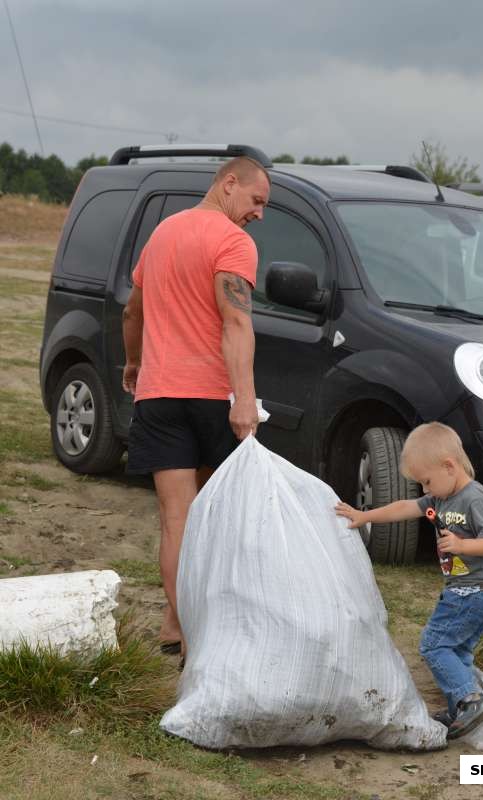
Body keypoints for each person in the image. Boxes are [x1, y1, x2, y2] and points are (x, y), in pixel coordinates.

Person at [122, 156, 271, 655]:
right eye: (256, 201)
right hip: (211, 397)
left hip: (158, 394)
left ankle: (175, 626)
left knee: (177, 520)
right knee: (217, 518)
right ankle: (199, 643)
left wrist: (132, 363)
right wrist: (245, 399)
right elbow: (236, 323)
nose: (259, 214)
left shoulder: (163, 232)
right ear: (229, 184)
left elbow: (132, 309)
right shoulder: (233, 242)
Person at [335, 422, 483, 740]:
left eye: (427, 481)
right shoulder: (440, 499)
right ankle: (461, 709)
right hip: (468, 590)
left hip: (477, 590)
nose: (425, 490)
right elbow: (403, 507)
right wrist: (365, 516)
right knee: (457, 650)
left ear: (449, 466)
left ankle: (471, 700)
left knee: (434, 645)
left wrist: (461, 545)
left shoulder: (473, 498)